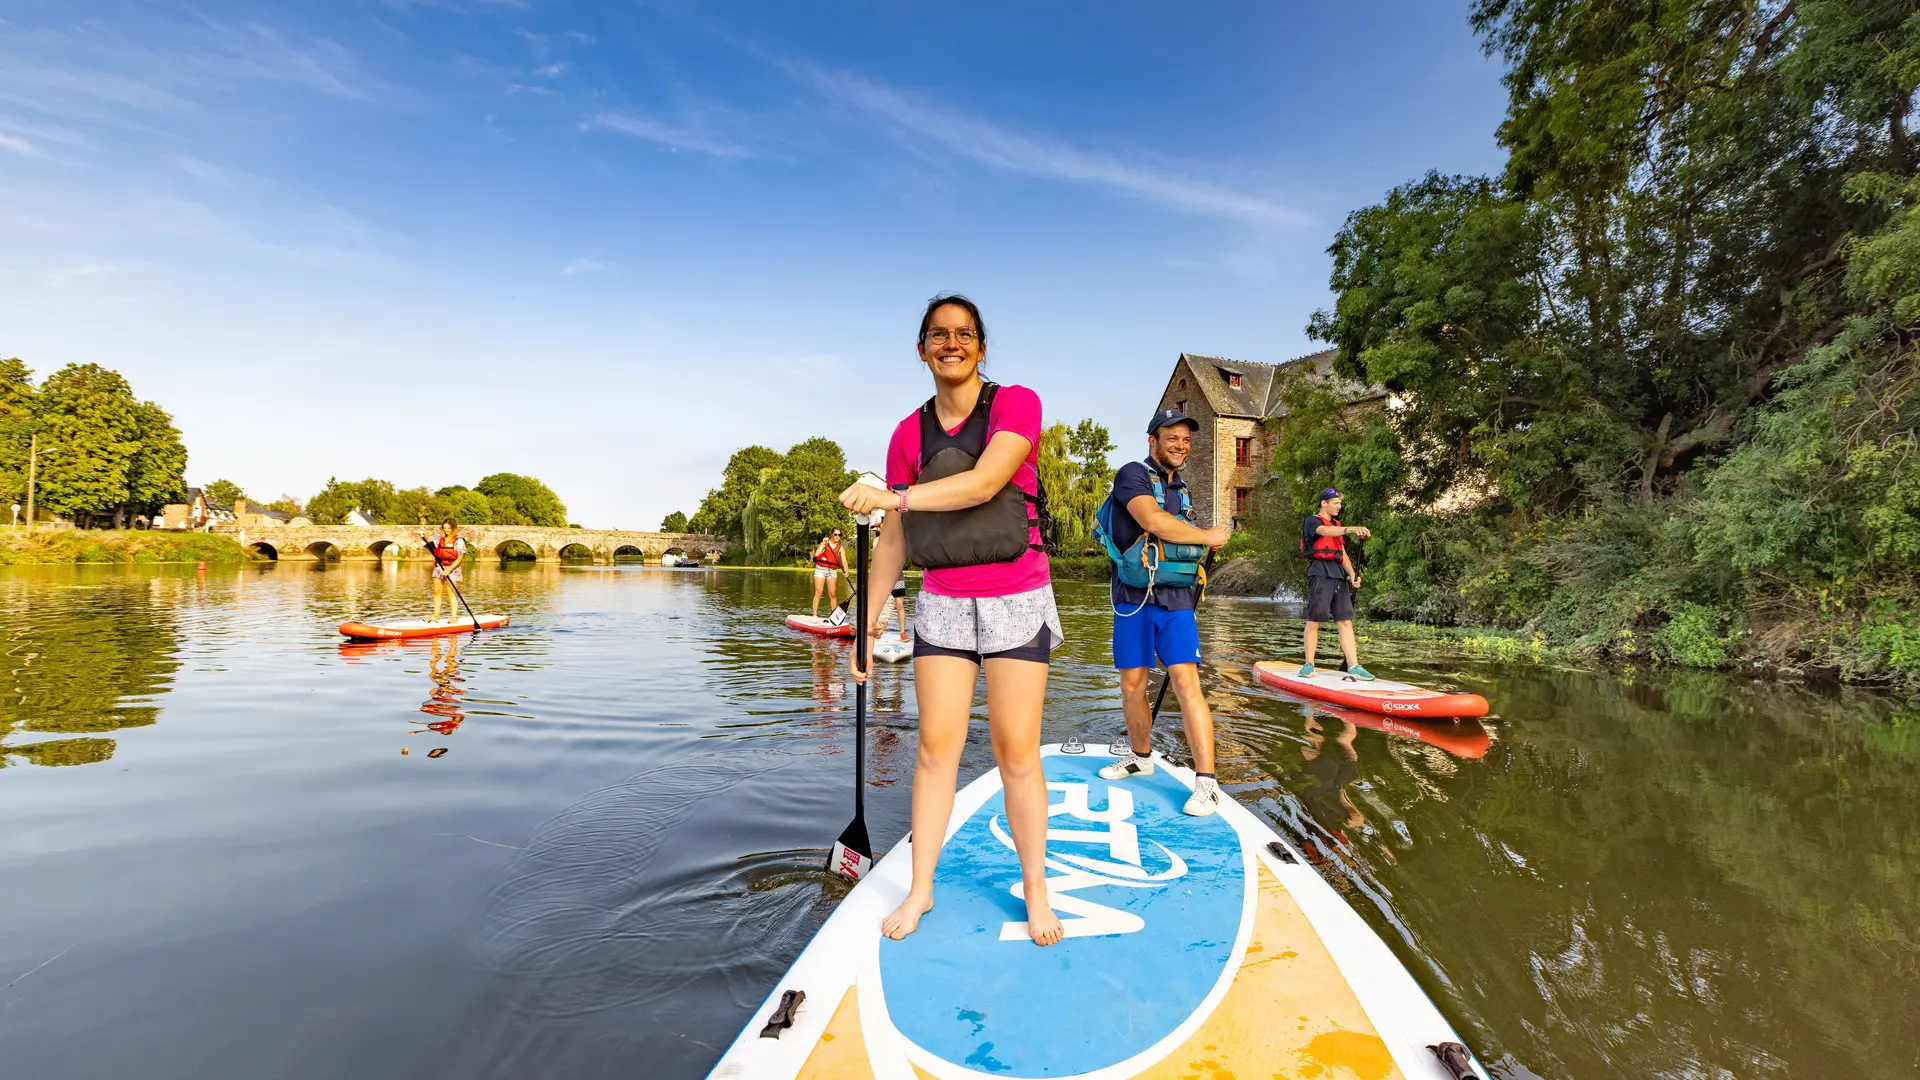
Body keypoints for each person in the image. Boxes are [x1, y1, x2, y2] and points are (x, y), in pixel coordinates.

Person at [841, 293, 1064, 947]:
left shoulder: (1016, 402)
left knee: (1016, 753)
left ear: (981, 346)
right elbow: (892, 539)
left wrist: (895, 495)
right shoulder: (907, 434)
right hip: (941, 601)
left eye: (964, 334)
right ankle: (920, 888)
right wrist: (865, 622)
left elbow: (986, 483)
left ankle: (1037, 891)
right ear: (921, 350)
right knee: (936, 750)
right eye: (937, 335)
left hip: (1016, 595)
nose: (951, 343)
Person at [1095, 408, 1232, 815]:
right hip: (1132, 598)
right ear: (1152, 439)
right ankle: (1140, 756)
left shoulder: (1184, 489)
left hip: (1175, 600)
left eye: (1186, 439)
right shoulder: (1132, 475)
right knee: (1132, 686)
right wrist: (1208, 535)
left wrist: (1202, 544)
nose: (1181, 445)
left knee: (1187, 682)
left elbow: (1180, 539)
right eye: (1172, 437)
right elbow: (1152, 521)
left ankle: (1206, 783)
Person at [1300, 489, 1373, 679]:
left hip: (1338, 574)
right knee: (1315, 621)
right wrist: (1350, 529)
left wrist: (1352, 575)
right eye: (1335, 503)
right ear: (1324, 503)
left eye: (1340, 503)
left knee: (1345, 620)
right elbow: (1324, 531)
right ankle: (1309, 664)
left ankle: (1354, 665)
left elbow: (1342, 553)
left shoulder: (1337, 525)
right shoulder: (1313, 521)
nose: (1339, 506)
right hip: (1320, 572)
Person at [424, 520, 469, 624]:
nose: (446, 530)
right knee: (437, 591)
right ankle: (436, 615)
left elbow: (460, 557)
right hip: (439, 567)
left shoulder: (458, 540)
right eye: (444, 528)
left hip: (452, 568)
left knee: (451, 592)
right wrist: (424, 535)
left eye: (449, 528)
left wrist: (449, 569)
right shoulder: (439, 538)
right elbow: (428, 539)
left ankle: (454, 616)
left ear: (453, 528)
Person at [810, 528, 846, 619]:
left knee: (832, 594)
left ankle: (833, 617)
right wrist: (822, 544)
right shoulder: (825, 544)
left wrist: (846, 571)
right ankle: (814, 616)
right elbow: (817, 554)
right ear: (832, 534)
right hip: (820, 569)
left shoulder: (840, 548)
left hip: (832, 571)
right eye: (835, 534)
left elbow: (844, 561)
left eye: (839, 535)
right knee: (818, 592)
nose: (837, 536)